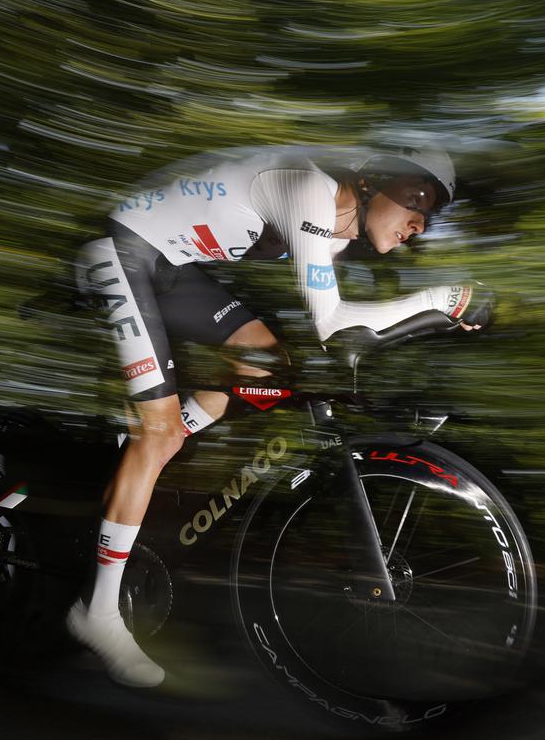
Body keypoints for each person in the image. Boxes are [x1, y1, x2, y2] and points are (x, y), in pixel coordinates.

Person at [69, 144, 488, 687]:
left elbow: (343, 329)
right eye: (417, 200)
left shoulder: (338, 232)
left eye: (431, 216)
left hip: (170, 269)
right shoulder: (308, 191)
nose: (420, 224)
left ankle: (155, 450)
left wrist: (435, 315)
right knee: (162, 430)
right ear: (375, 183)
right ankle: (98, 613)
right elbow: (333, 324)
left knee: (267, 363)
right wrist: (442, 299)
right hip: (122, 253)